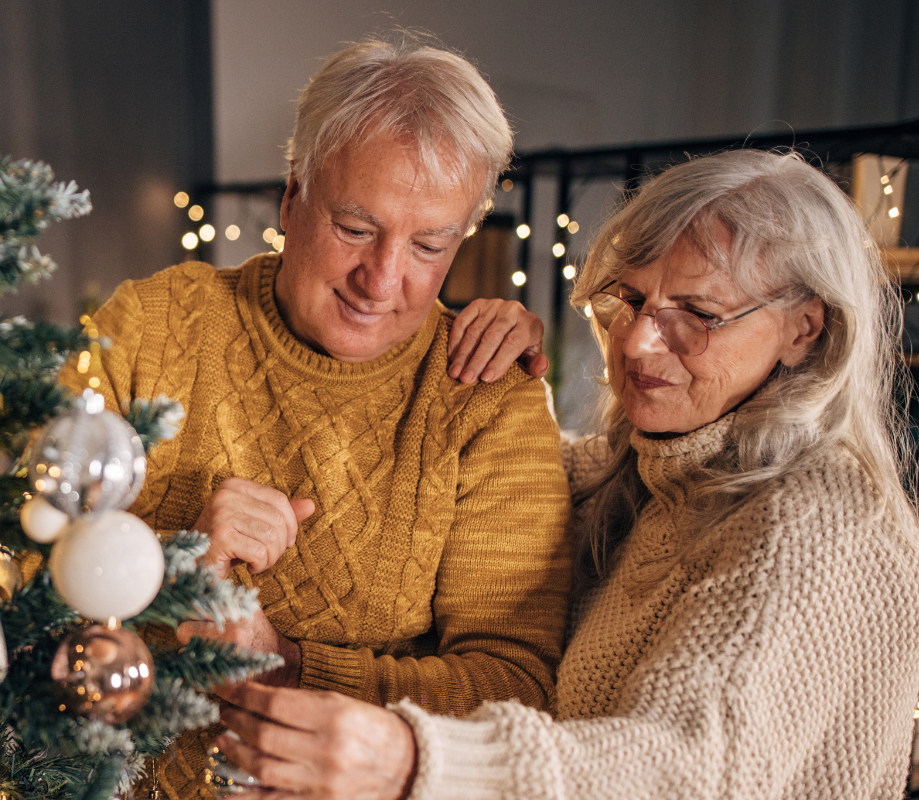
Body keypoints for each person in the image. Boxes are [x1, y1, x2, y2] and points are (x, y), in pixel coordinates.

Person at [209, 149, 919, 800]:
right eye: (631, 300)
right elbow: (432, 491)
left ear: (805, 329)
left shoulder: (822, 522)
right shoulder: (632, 473)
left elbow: (690, 771)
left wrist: (415, 762)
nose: (639, 341)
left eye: (697, 315)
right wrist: (498, 390)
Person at [61, 37, 571, 800]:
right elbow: (7, 548)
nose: (381, 279)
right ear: (292, 193)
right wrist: (169, 568)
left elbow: (513, 688)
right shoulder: (151, 327)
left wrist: (292, 663)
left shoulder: (489, 398)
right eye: (356, 229)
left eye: (429, 245)